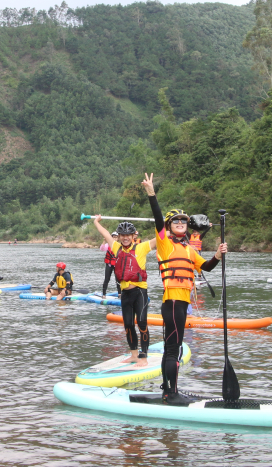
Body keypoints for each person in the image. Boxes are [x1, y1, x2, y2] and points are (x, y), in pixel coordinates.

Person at [142, 173, 227, 405]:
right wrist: (152, 193)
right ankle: (171, 393)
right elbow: (158, 219)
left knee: (173, 347)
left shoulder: (189, 249)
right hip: (172, 303)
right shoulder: (165, 244)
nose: (179, 224)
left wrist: (218, 255)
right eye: (175, 222)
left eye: (183, 222)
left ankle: (167, 389)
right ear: (169, 227)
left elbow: (207, 268)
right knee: (173, 348)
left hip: (182, 303)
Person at [94, 216, 156, 368]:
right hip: (126, 294)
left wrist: (166, 224)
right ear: (120, 236)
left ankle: (144, 356)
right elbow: (106, 234)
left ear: (134, 235)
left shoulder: (142, 247)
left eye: (128, 235)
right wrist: (96, 221)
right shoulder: (116, 248)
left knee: (141, 323)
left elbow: (160, 237)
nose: (126, 238)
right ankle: (134, 355)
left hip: (140, 291)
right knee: (128, 325)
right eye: (123, 235)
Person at [101, 231, 118, 296]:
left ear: (118, 238)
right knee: (107, 279)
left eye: (116, 237)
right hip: (109, 264)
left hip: (116, 265)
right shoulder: (107, 245)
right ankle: (104, 294)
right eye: (113, 237)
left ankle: (120, 294)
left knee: (118, 280)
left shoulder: (119, 245)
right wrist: (104, 241)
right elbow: (102, 249)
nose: (114, 238)